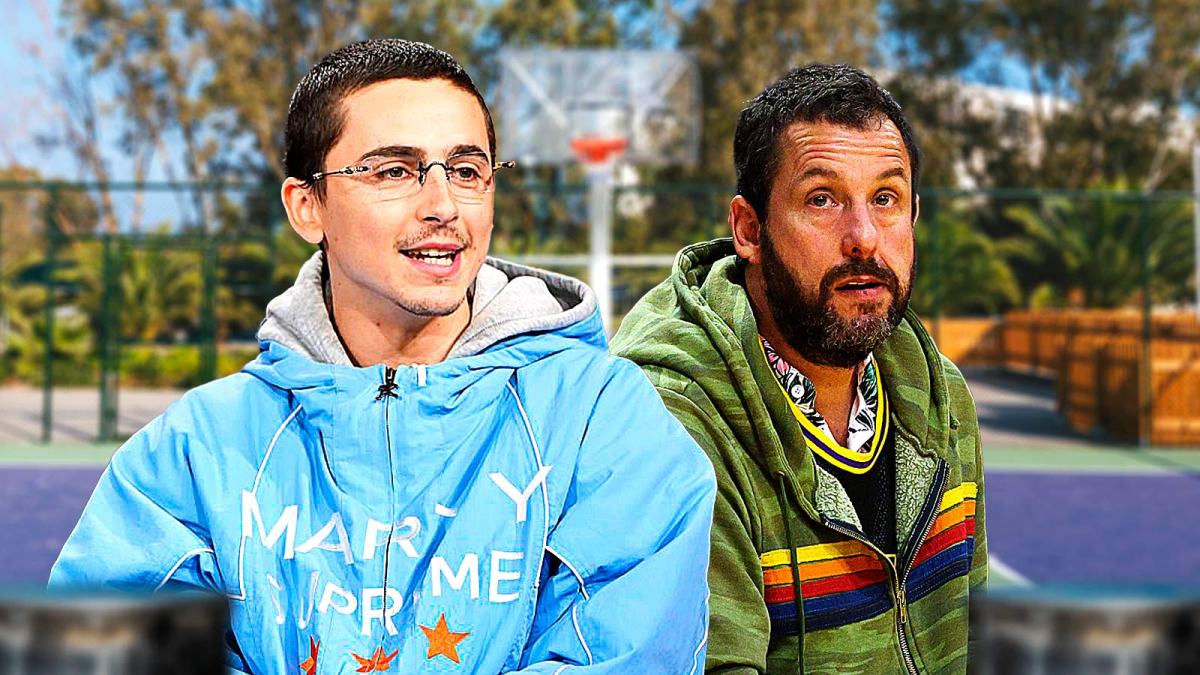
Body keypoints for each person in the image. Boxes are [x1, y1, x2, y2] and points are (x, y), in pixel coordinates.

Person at [50, 39, 716, 674]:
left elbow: (627, 654)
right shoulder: (196, 450)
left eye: (467, 171)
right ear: (306, 206)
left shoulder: (604, 419)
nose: (443, 205)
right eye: (394, 171)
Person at [611, 63, 986, 674]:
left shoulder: (942, 399)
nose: (864, 237)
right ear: (749, 230)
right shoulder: (674, 423)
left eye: (885, 199)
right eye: (822, 200)